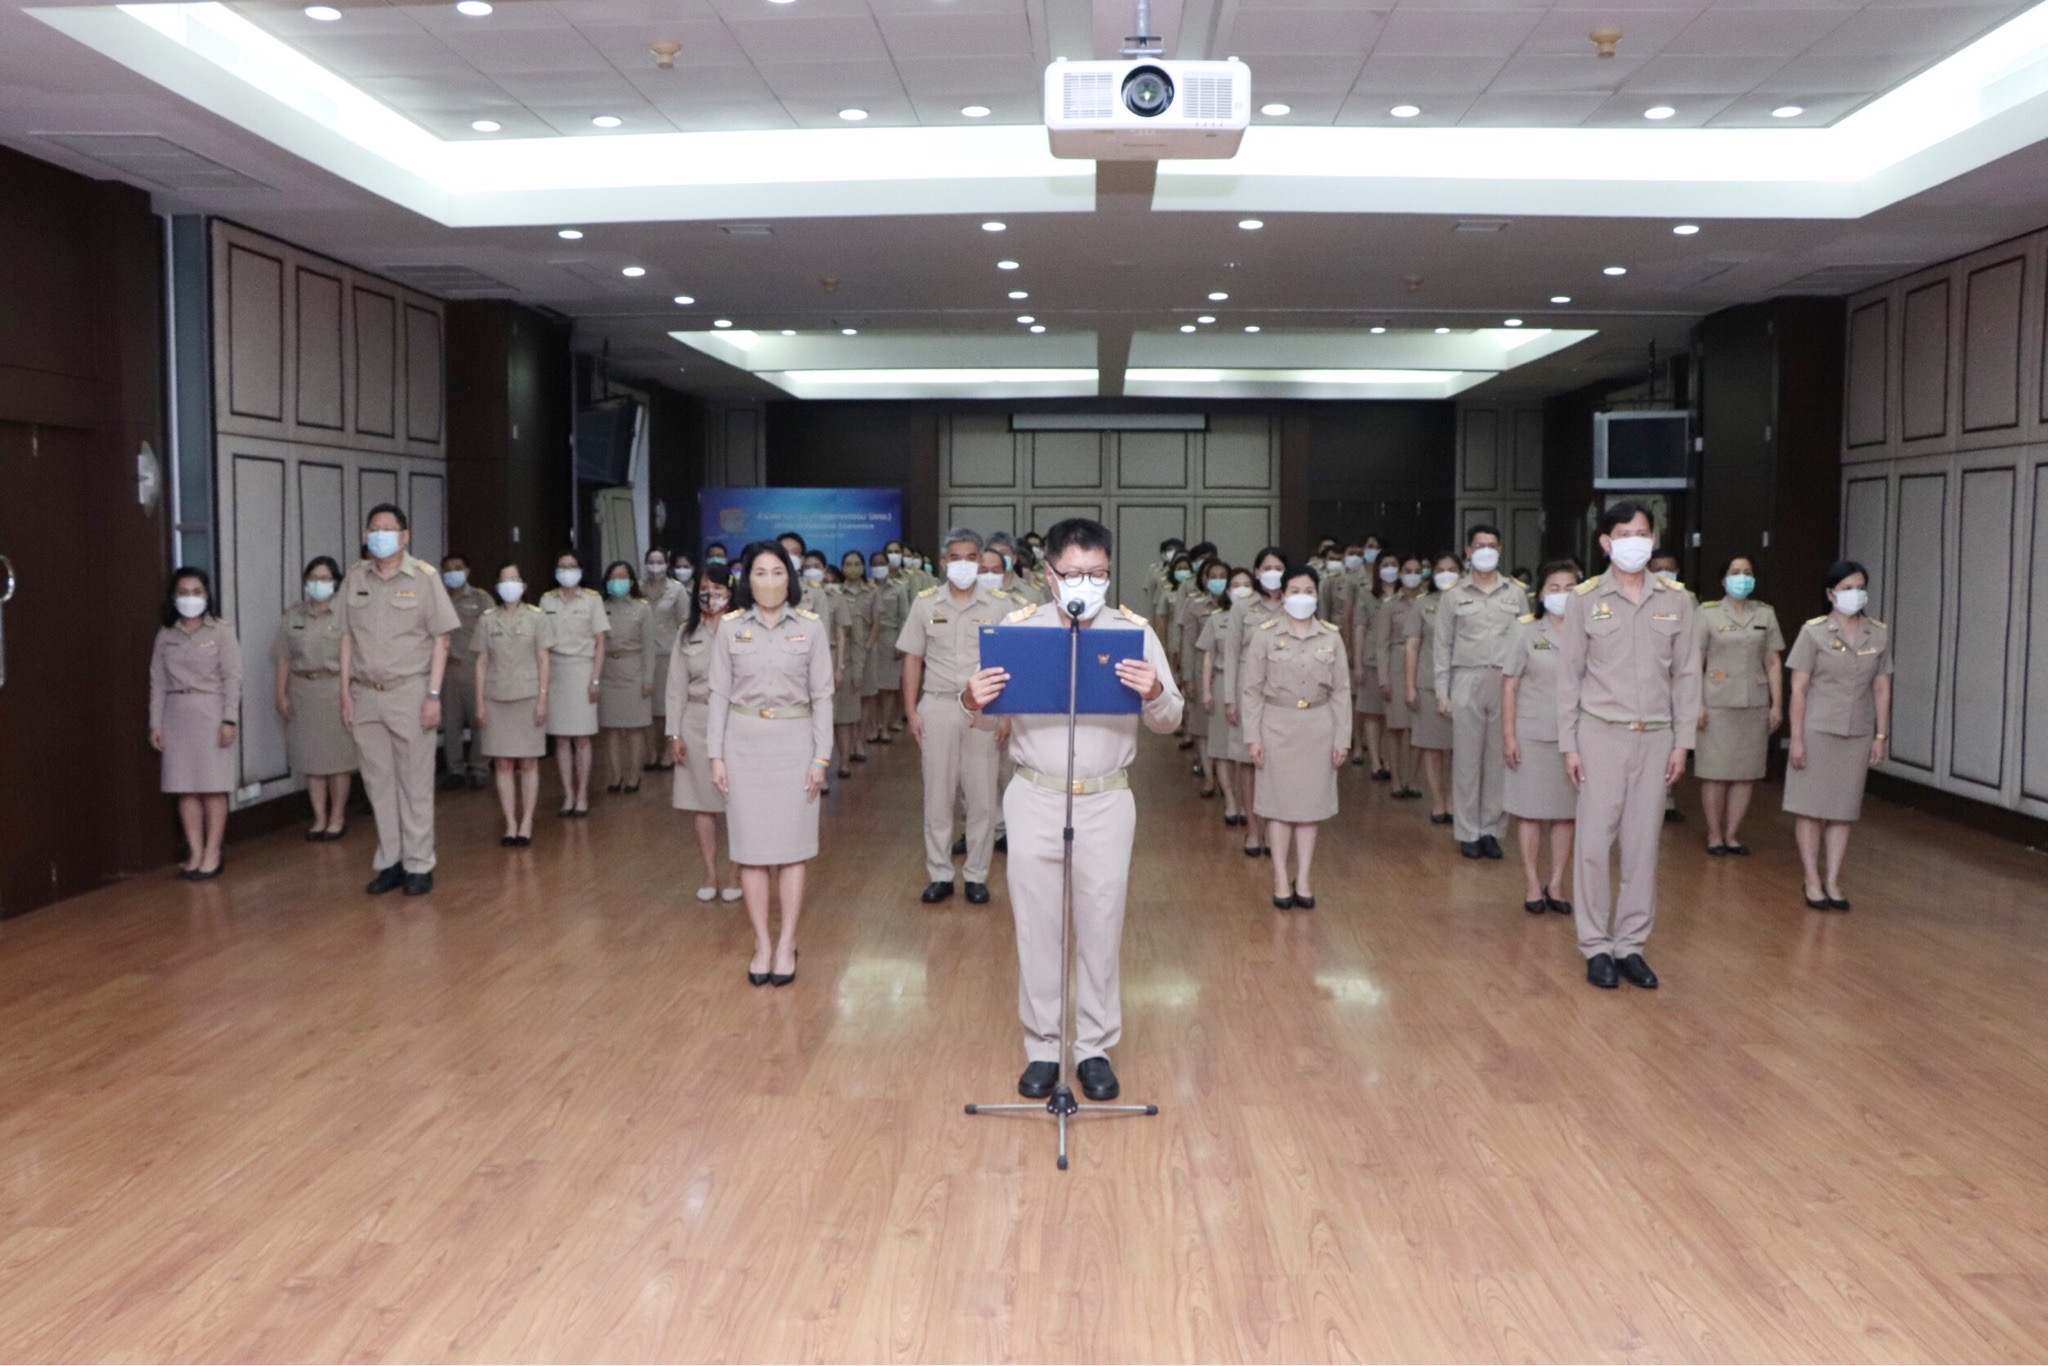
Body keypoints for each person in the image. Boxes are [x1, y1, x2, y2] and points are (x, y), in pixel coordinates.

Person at [962, 517, 1183, 1103]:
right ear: (1049, 574)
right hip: (1034, 793)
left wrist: (1155, 693)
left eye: (1098, 574)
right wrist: (971, 699)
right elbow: (989, 721)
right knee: (1037, 925)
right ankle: (1042, 1045)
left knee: (1101, 922)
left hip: (1108, 797)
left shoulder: (1132, 633)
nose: (1086, 583)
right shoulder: (1019, 630)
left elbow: (1171, 718)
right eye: (1074, 574)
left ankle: (1093, 1047)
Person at [1557, 502, 1701, 990]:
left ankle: (1630, 945)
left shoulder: (1679, 601)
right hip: (1600, 734)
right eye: (1624, 533)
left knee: (1644, 847)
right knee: (1595, 845)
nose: (1635, 540)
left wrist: (1683, 742)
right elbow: (1569, 675)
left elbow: (1686, 676)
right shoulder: (1584, 599)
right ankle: (1596, 945)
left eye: (1643, 532)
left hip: (1656, 736)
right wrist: (1568, 744)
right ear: (1605, 542)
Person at [706, 542, 835, 986]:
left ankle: (787, 943)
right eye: (758, 572)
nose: (768, 580)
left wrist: (821, 757)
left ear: (790, 577)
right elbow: (718, 694)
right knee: (751, 852)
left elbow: (823, 696)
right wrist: (715, 755)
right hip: (743, 745)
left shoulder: (812, 628)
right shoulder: (729, 628)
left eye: (777, 571)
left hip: (795, 744)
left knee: (793, 849)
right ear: (746, 579)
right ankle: (762, 942)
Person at [336, 504, 460, 895]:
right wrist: (345, 693)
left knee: (415, 781)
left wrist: (433, 695)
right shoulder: (355, 577)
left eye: (388, 529)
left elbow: (442, 638)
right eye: (374, 528)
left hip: (410, 691)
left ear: (404, 537)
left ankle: (420, 863)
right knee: (378, 782)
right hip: (365, 694)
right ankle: (389, 861)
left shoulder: (424, 578)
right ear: (364, 534)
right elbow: (345, 638)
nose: (380, 535)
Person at [899, 527, 1014, 905]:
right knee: (938, 795)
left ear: (981, 562)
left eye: (970, 557)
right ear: (944, 561)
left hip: (985, 708)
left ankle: (977, 875)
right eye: (955, 557)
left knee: (981, 797)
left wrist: (1008, 715)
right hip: (938, 705)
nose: (962, 564)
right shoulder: (925, 603)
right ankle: (940, 873)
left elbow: (1011, 663)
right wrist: (911, 709)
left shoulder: (999, 605)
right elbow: (913, 659)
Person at [1241, 566, 1352, 909]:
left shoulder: (1331, 636)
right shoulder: (1266, 635)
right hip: (1277, 725)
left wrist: (1343, 738)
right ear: (1282, 595)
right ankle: (1279, 878)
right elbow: (1251, 690)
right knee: (1278, 806)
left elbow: (1342, 692)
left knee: (1309, 808)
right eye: (1294, 590)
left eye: (1307, 590)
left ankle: (1303, 877)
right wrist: (1253, 737)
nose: (1301, 596)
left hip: (1318, 726)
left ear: (1317, 595)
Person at [1785, 561, 1892, 911]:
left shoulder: (1877, 633)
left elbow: (1881, 686)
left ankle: (1832, 879)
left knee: (1843, 811)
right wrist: (1796, 738)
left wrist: (1880, 735)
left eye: (1859, 586)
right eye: (1846, 588)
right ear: (1831, 594)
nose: (1854, 593)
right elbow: (1799, 689)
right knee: (1812, 808)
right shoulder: (1813, 632)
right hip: (1817, 729)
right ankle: (1811, 879)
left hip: (1857, 731)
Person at [1434, 525, 1530, 860]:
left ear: (1500, 549)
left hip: (1505, 684)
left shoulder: (1515, 594)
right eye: (1479, 545)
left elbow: (1526, 642)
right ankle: (1467, 831)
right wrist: (1442, 693)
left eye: (1491, 545)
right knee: (1466, 761)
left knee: (1498, 760)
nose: (1485, 550)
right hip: (1467, 680)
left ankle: (1491, 829)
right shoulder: (1453, 595)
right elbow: (1442, 645)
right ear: (1468, 551)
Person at [150, 568, 241, 880]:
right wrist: (155, 723)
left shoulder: (221, 632)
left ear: (207, 596)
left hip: (211, 713)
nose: (190, 598)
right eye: (183, 592)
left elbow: (233, 678)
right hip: (176, 714)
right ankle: (196, 851)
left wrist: (229, 718)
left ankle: (214, 852)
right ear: (174, 597)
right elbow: (157, 682)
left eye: (197, 591)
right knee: (185, 789)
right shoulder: (166, 635)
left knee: (212, 787)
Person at [1503, 560, 1581, 915]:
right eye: (1554, 588)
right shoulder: (1526, 631)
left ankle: (1557, 883)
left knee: (1567, 814)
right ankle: (1533, 882)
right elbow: (1510, 684)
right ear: (1541, 594)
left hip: (1576, 737)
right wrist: (1509, 735)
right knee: (1531, 813)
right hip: (1532, 732)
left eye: (1569, 588)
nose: (1562, 595)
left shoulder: (1590, 631)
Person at [1695, 556, 1785, 856]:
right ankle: (1714, 834)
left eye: (1747, 572)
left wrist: (1776, 705)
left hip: (1754, 703)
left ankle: (1732, 835)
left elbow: (1772, 661)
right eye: (1735, 573)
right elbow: (1695, 661)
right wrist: (1696, 703)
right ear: (1723, 580)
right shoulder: (1706, 613)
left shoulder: (1765, 613)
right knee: (1716, 771)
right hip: (1716, 702)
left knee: (1746, 772)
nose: (1742, 577)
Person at [665, 570, 742, 902]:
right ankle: (710, 872)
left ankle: (736, 873)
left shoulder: (744, 627)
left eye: (719, 589)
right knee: (702, 803)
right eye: (705, 590)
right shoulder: (687, 633)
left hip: (736, 722)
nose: (712, 596)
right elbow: (675, 687)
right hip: (696, 720)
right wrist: (674, 734)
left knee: (740, 802)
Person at [271, 555, 356, 841]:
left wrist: (349, 695)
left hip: (335, 691)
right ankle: (319, 817)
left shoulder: (345, 614)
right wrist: (280, 692)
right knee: (311, 761)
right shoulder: (293, 616)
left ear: (336, 582)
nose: (319, 584)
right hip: (303, 691)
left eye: (325, 578)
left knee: (337, 760)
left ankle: (338, 816)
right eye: (314, 578)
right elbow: (283, 657)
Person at [472, 562, 551, 846]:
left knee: (528, 761)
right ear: (496, 587)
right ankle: (510, 823)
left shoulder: (537, 617)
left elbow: (544, 659)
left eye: (515, 579)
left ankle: (527, 821)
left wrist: (543, 698)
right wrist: (479, 701)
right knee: (503, 762)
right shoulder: (487, 619)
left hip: (528, 695)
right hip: (496, 696)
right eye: (505, 580)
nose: (510, 585)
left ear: (524, 586)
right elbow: (481, 662)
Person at [1221, 547, 1289, 856]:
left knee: (1277, 765)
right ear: (1257, 572)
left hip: (1282, 694)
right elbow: (1231, 654)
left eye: (1279, 567)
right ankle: (1252, 829)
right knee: (1248, 763)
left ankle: (1275, 831)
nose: (1273, 572)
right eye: (1267, 567)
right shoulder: (1243, 608)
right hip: (1248, 692)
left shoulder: (1294, 605)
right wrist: (1229, 699)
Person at [540, 551, 607, 817]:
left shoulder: (592, 599)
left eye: (572, 566)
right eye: (562, 566)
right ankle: (567, 793)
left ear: (580, 570)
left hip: (582, 670)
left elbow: (601, 641)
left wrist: (595, 679)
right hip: (555, 671)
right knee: (561, 738)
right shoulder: (546, 600)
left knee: (582, 738)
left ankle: (582, 794)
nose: (566, 570)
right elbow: (542, 642)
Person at [1199, 567, 1257, 826]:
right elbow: (1209, 656)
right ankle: (1231, 802)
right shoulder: (1217, 619)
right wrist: (1207, 690)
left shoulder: (1261, 618)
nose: (1241, 589)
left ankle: (1248, 806)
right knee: (1222, 747)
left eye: (1247, 584)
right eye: (1236, 585)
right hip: (1224, 682)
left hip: (1253, 685)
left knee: (1245, 750)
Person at [1406, 554, 1461, 827]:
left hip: (1462, 684)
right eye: (1440, 570)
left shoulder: (1467, 601)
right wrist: (1409, 686)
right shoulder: (1422, 605)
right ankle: (1437, 800)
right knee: (1431, 747)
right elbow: (1412, 645)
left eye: (1452, 570)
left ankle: (1453, 799)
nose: (1446, 575)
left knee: (1458, 748)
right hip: (1428, 683)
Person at [597, 560, 657, 792]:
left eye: (622, 577)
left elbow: (649, 645)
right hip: (608, 672)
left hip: (634, 671)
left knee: (634, 728)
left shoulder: (642, 608)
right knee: (611, 729)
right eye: (613, 577)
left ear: (631, 581)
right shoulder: (600, 606)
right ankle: (614, 776)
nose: (617, 581)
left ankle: (633, 776)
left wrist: (648, 677)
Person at [437, 553, 494, 791]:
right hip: (447, 670)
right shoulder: (437, 598)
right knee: (451, 723)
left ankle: (480, 769)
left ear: (468, 571)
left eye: (458, 568)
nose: (453, 573)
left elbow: (493, 631)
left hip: (474, 668)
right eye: (448, 569)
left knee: (479, 721)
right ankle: (455, 769)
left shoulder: (481, 599)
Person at [1178, 556, 1230, 797]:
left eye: (1223, 577)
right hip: (1201, 673)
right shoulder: (1195, 605)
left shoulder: (1236, 606)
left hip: (1229, 673)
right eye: (1213, 577)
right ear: (1204, 579)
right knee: (1202, 728)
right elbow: (1188, 643)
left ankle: (1226, 779)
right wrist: (1187, 677)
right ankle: (1210, 778)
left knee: (1226, 729)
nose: (1218, 581)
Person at [1372, 555, 1423, 800]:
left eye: (1417, 570)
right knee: (1395, 727)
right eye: (1408, 570)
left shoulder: (1428, 602)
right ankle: (1395, 779)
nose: (1412, 574)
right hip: (1396, 663)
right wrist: (1384, 679)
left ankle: (1412, 780)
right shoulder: (1390, 605)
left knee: (1419, 728)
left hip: (1423, 663)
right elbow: (1381, 644)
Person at [1347, 541, 1388, 774]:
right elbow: (1359, 627)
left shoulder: (1407, 596)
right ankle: (1375, 761)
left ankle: (1386, 756)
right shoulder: (1366, 594)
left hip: (1396, 662)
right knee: (1371, 711)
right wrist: (1358, 661)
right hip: (1372, 659)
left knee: (1389, 716)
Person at [644, 547, 686, 774]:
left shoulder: (677, 590)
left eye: (659, 561)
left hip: (666, 655)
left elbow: (684, 623)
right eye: (651, 561)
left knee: (666, 708)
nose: (655, 565)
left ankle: (668, 753)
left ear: (666, 564)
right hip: (642, 655)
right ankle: (650, 753)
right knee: (646, 710)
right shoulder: (639, 588)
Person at [836, 549, 875, 771]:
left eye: (857, 564)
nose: (853, 568)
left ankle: (859, 740)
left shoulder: (871, 591)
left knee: (866, 697)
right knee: (848, 703)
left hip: (866, 651)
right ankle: (847, 748)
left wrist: (868, 648)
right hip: (847, 653)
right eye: (848, 564)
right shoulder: (836, 593)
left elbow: (876, 622)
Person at [868, 545, 911, 740]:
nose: (879, 567)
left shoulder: (898, 589)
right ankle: (872, 727)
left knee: (889, 688)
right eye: (875, 564)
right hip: (869, 641)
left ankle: (884, 727)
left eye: (882, 563)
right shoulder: (867, 588)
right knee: (871, 689)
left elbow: (905, 617)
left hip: (890, 639)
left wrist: (901, 644)